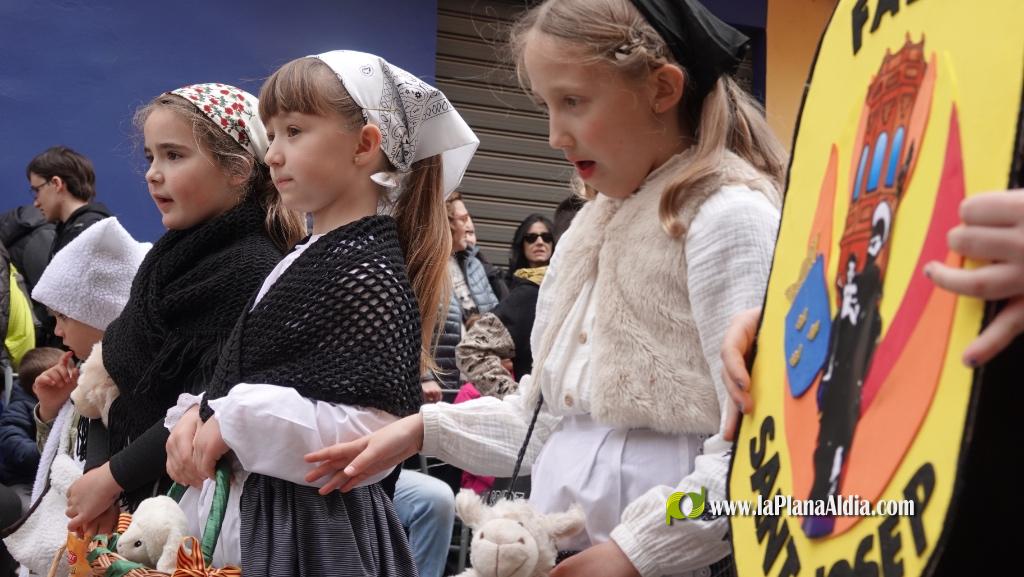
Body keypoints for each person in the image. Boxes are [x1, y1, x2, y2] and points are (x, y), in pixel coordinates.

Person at [304, 1, 789, 576]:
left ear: (662, 89)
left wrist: (637, 551)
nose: (556, 135)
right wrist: (421, 430)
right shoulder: (590, 226)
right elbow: (542, 422)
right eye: (546, 106)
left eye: (574, 102)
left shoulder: (729, 217)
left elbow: (756, 453)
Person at [163, 51, 478, 575]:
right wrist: (199, 416)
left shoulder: (367, 270)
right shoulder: (309, 255)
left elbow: (370, 428)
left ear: (365, 144)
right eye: (272, 134)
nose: (273, 155)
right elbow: (265, 375)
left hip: (309, 537)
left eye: (294, 130)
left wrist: (234, 421)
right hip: (269, 519)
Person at [63, 83, 305, 537]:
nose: (153, 173)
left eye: (173, 156)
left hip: (185, 517)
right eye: (151, 157)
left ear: (236, 169)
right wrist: (102, 480)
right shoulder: (168, 258)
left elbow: (208, 402)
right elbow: (112, 376)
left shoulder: (252, 268)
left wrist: (111, 477)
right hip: (133, 501)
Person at [457, 214, 555, 396]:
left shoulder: (577, 289)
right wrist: (516, 398)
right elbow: (472, 349)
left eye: (547, 237)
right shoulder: (520, 292)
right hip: (536, 409)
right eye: (531, 238)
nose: (540, 242)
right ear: (522, 244)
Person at [25, 146, 113, 260]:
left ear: (56, 183)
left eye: (37, 190)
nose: (36, 203)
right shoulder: (71, 230)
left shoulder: (90, 232)